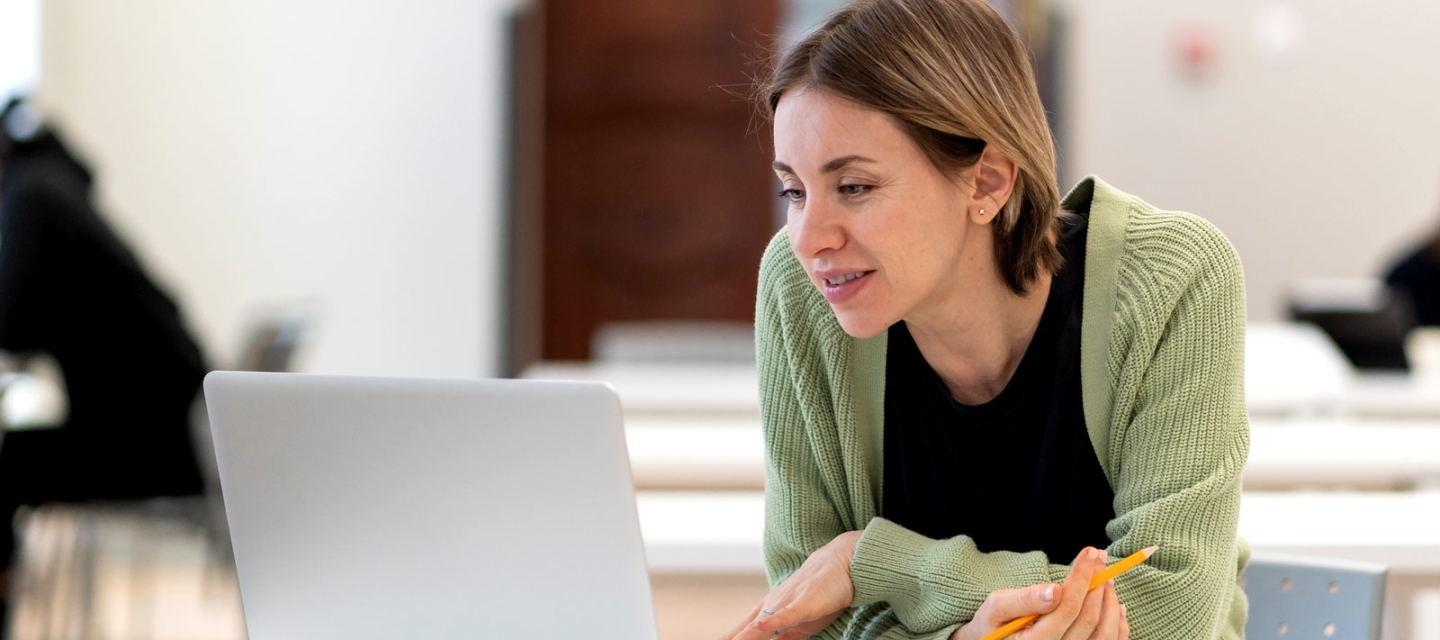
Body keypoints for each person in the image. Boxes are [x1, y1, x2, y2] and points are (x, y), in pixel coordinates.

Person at [727, 1, 1250, 638]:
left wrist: (876, 563)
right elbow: (802, 615)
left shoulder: (1174, 279)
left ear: (988, 182)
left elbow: (1173, 609)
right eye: (794, 191)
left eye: (855, 187)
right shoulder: (799, 289)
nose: (810, 239)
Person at [0, 97, 210, 617]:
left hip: (152, 444)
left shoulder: (31, 198)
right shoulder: (54, 190)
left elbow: (10, 321)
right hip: (181, 434)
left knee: (8, 463)